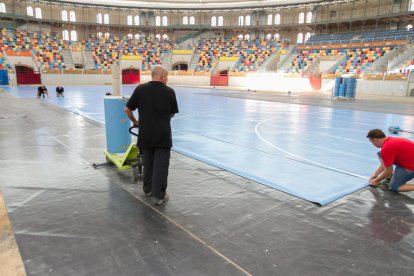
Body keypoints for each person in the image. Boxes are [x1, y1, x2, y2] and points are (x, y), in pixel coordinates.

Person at [124, 65, 179, 205]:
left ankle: (147, 189)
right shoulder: (169, 92)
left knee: (148, 163)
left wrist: (136, 122)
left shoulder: (140, 89)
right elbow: (172, 113)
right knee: (161, 165)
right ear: (161, 77)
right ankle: (158, 195)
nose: (167, 80)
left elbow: (127, 109)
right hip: (162, 134)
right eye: (166, 77)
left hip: (145, 133)